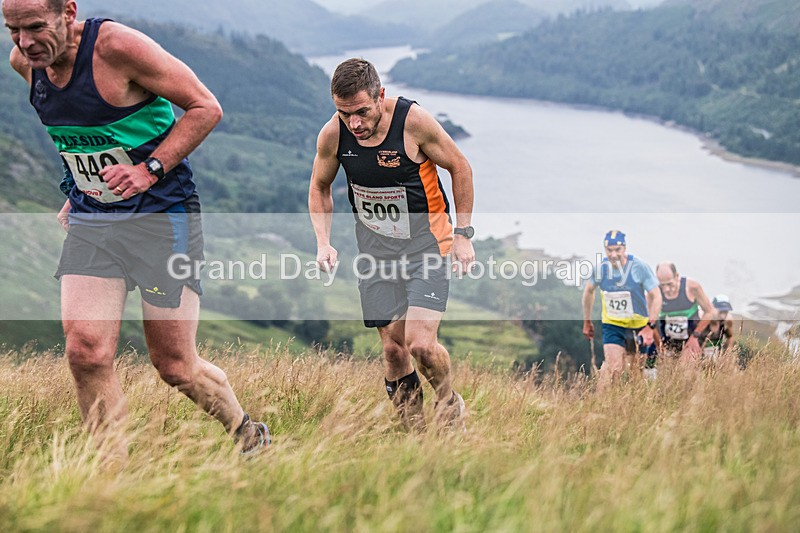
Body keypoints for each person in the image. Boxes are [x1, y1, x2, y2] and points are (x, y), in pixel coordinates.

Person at [2, 0, 269, 457]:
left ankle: (247, 433)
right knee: (85, 351)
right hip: (95, 219)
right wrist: (77, 185)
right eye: (12, 29)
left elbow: (206, 107)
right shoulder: (25, 63)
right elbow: (77, 134)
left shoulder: (116, 48)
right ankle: (112, 478)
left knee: (175, 365)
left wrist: (149, 169)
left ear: (67, 12)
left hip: (162, 217)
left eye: (34, 27)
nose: (24, 42)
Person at [308, 58, 475, 430]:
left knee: (420, 345)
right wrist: (324, 242)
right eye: (344, 113)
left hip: (427, 245)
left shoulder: (412, 122)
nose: (355, 123)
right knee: (393, 350)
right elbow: (319, 187)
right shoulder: (334, 134)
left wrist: (464, 234)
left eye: (362, 112)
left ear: (380, 96)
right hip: (376, 254)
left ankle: (448, 403)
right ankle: (414, 437)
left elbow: (459, 165)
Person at [582, 230, 662, 386]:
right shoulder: (600, 269)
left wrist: (650, 326)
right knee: (614, 369)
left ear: (624, 248)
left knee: (636, 374)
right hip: (613, 325)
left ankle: (632, 404)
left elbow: (656, 296)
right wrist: (587, 320)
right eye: (609, 250)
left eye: (617, 250)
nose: (613, 254)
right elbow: (588, 292)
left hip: (639, 326)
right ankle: (602, 404)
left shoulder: (639, 267)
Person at [656, 262, 716, 360]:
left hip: (691, 337)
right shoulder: (654, 292)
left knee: (685, 372)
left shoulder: (692, 287)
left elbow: (709, 312)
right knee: (667, 373)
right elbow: (649, 320)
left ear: (677, 276)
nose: (666, 289)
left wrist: (695, 336)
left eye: (670, 284)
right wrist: (659, 344)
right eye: (662, 285)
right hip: (667, 341)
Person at [704, 295, 735, 359]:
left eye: (725, 312)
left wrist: (728, 355)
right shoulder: (702, 319)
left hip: (716, 359)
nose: (723, 316)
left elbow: (730, 337)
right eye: (720, 312)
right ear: (712, 308)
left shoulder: (727, 322)